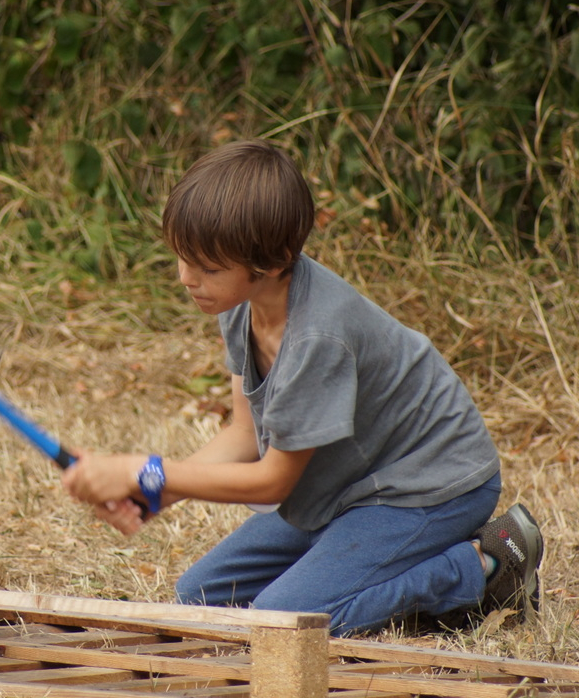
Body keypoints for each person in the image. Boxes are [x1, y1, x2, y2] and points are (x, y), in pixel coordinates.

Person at [60, 139, 543, 636]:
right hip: (345, 487)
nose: (187, 278)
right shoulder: (239, 304)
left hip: (431, 485)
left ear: (272, 262)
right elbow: (244, 436)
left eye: (208, 268)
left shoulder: (318, 337)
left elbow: (272, 482)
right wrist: (153, 494)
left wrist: (147, 472)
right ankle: (380, 560)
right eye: (182, 258)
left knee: (282, 622)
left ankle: (483, 564)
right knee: (199, 597)